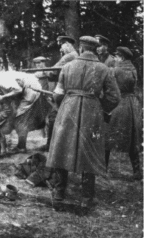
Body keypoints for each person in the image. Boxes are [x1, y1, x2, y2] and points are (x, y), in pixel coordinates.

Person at [46, 36, 121, 207]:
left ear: (80, 48)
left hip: (68, 108)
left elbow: (58, 93)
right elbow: (114, 97)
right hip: (92, 110)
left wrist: (62, 106)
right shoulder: (103, 69)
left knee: (61, 147)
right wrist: (100, 107)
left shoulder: (67, 66)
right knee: (90, 149)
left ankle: (58, 194)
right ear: (95, 49)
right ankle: (86, 198)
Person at [105, 46, 143, 181]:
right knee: (133, 137)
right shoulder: (132, 68)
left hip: (119, 104)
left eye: (116, 57)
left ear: (121, 57)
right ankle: (137, 171)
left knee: (108, 134)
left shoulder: (116, 70)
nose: (115, 59)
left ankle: (103, 169)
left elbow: (110, 88)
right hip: (132, 104)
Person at [37, 36, 79, 151]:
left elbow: (52, 72)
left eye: (62, 45)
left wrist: (43, 73)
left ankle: (50, 145)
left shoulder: (68, 56)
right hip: (73, 91)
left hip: (65, 92)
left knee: (53, 117)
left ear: (67, 44)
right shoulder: (76, 55)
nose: (61, 48)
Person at [0, 72, 50, 153]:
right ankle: (21, 146)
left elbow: (18, 89)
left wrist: (3, 97)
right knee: (20, 118)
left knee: (20, 120)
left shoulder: (2, 81)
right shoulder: (3, 76)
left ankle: (21, 147)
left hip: (31, 91)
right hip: (31, 87)